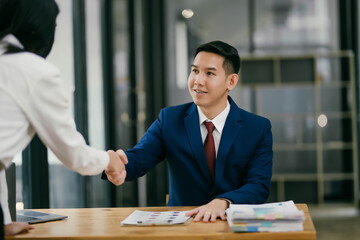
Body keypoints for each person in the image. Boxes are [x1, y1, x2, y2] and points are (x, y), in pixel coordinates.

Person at [104, 40, 273, 222]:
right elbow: (139, 158)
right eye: (194, 71)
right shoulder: (169, 119)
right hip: (182, 225)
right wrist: (117, 164)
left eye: (209, 73)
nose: (198, 81)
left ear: (230, 81)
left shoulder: (257, 128)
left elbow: (258, 186)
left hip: (231, 225)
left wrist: (224, 201)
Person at [0, 0, 126, 237]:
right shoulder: (35, 72)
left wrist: (4, 223)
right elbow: (74, 154)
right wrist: (109, 159)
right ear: (39, 26)